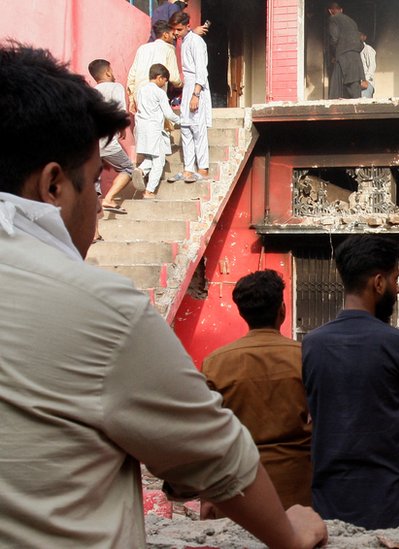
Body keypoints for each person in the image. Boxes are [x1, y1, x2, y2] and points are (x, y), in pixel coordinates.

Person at [0, 43, 326, 548]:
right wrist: (288, 535)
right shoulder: (100, 309)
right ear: (54, 185)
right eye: (96, 184)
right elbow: (215, 455)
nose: (98, 204)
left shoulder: (218, 362)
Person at [302, 235, 399, 529]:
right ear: (379, 283)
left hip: (331, 496)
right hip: (394, 498)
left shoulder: (312, 344)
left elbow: (313, 406)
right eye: (396, 279)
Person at [202, 270, 313, 512]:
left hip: (239, 487)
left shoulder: (215, 362)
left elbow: (207, 433)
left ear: (242, 313)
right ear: (282, 310)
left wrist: (208, 496)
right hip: (299, 484)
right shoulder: (305, 356)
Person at [88, 59, 143, 213]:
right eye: (112, 71)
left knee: (94, 176)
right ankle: (109, 199)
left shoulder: (91, 92)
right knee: (128, 168)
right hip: (107, 142)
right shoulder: (115, 87)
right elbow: (119, 109)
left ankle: (95, 207)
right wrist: (122, 127)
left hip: (91, 143)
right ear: (107, 72)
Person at [172, 11, 212, 183]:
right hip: (188, 86)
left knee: (197, 128)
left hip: (197, 87)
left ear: (187, 26)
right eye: (174, 30)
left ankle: (203, 168)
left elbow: (201, 70)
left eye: (179, 29)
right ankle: (189, 168)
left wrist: (196, 94)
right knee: (186, 128)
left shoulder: (196, 42)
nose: (175, 33)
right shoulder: (186, 40)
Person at [135, 64, 181, 198]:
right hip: (154, 128)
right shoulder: (159, 92)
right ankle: (149, 191)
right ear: (160, 77)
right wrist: (181, 121)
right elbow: (168, 113)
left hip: (141, 128)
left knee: (150, 157)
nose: (165, 84)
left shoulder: (141, 90)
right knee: (159, 161)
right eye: (165, 81)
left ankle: (140, 170)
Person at [127, 19, 183, 113]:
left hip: (139, 95)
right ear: (165, 35)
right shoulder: (169, 49)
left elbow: (132, 76)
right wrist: (182, 85)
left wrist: (132, 99)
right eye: (172, 34)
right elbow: (174, 78)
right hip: (156, 96)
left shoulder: (142, 48)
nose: (174, 37)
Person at [326, 2, 365, 100]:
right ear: (341, 10)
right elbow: (360, 42)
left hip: (343, 55)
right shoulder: (352, 21)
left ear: (330, 11)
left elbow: (334, 39)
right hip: (355, 56)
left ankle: (334, 107)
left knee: (336, 88)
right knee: (354, 87)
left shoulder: (333, 19)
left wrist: (333, 55)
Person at [360, 32, 376, 99]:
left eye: (360, 35)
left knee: (363, 104)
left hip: (366, 84)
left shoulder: (367, 49)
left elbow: (372, 65)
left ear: (364, 37)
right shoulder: (359, 51)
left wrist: (366, 80)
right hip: (360, 84)